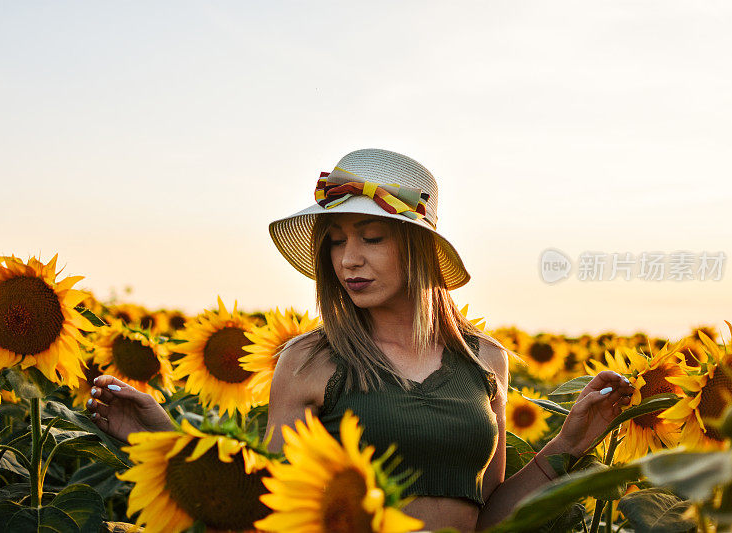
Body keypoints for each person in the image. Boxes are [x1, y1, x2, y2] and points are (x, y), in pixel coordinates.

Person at [88, 148, 634, 532]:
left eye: (372, 238)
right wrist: (169, 442)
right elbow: (271, 512)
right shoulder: (308, 361)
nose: (349, 258)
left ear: (420, 250)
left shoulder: (483, 361)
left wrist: (568, 444)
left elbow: (485, 515)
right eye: (337, 241)